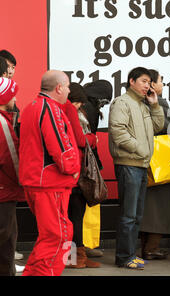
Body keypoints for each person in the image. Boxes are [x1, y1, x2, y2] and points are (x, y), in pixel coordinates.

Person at [19, 70, 81, 276]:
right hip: (50, 184)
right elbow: (61, 147)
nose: (70, 90)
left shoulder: (32, 107)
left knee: (52, 236)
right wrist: (72, 170)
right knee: (58, 235)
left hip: (39, 182)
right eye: (68, 86)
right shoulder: (50, 109)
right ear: (59, 88)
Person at [108, 67, 164, 270]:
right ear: (131, 81)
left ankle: (130, 254)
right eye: (143, 81)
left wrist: (155, 105)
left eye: (149, 82)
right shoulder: (122, 103)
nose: (147, 86)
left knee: (137, 215)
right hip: (129, 164)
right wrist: (141, 150)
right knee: (128, 215)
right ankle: (124, 256)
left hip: (141, 165)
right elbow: (118, 132)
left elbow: (158, 126)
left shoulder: (143, 105)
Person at [139, 69, 170, 260]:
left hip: (144, 160)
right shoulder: (160, 104)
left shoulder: (137, 103)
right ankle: (152, 247)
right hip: (162, 161)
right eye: (161, 81)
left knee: (145, 207)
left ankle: (145, 247)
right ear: (153, 85)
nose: (162, 85)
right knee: (162, 207)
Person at [61, 83, 101, 269]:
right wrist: (93, 138)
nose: (80, 107)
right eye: (78, 103)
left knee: (71, 215)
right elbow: (80, 139)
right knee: (76, 215)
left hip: (69, 170)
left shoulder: (58, 109)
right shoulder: (69, 110)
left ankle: (76, 257)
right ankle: (77, 258)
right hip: (75, 171)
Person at [82, 79, 113, 258]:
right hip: (86, 166)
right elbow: (90, 141)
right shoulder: (90, 109)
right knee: (89, 204)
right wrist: (97, 164)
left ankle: (82, 245)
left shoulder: (85, 106)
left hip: (80, 166)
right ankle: (86, 244)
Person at [0, 76, 24, 276]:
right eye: (12, 96)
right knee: (6, 237)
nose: (15, 100)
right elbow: (11, 159)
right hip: (4, 191)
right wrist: (23, 182)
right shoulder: (3, 124)